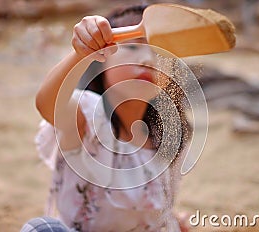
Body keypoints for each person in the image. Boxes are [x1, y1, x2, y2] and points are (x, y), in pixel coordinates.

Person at [24, 4, 191, 232]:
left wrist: (173, 220)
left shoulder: (168, 136)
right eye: (133, 47)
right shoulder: (88, 117)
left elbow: (156, 203)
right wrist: (80, 54)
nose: (148, 60)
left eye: (159, 52)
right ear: (102, 59)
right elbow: (48, 103)